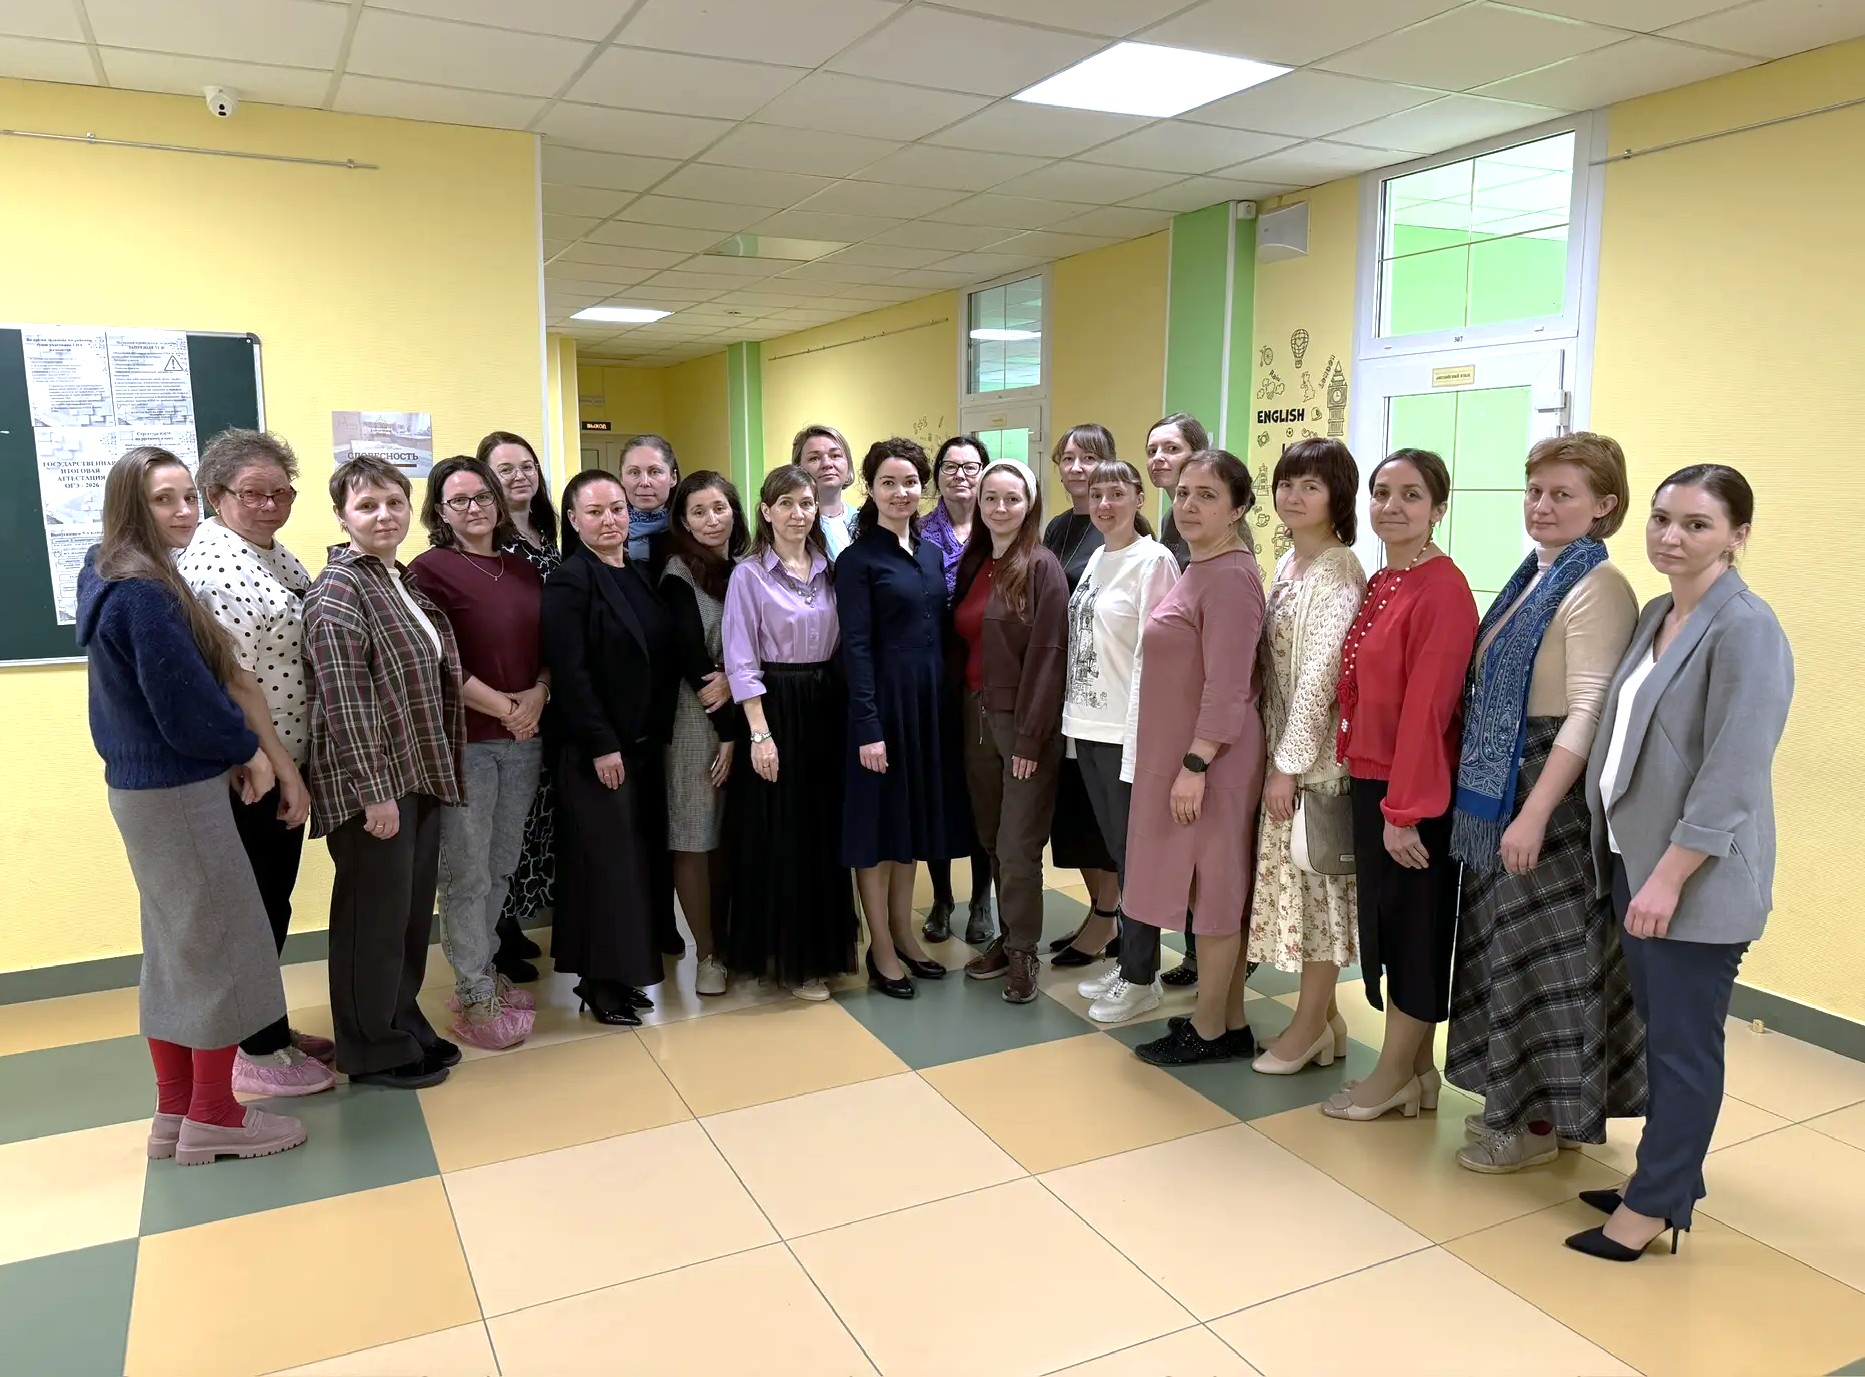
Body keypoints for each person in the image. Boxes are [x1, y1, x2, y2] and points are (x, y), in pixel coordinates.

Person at [1569, 464, 1793, 1262]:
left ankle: (1653, 1206)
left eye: (1696, 524)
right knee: (1664, 1034)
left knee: (1682, 1048)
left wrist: (1667, 877)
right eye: (1662, 518)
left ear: (1737, 535)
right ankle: (1664, 1178)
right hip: (1636, 864)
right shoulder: (1660, 611)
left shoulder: (1746, 628)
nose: (1670, 536)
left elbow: (1733, 770)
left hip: (1692, 880)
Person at [79, 447, 307, 1165]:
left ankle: (174, 1112)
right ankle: (214, 1116)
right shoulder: (146, 593)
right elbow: (186, 704)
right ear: (131, 506)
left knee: (176, 954)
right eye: (164, 499)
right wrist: (247, 750)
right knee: (221, 949)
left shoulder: (110, 572)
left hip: (142, 790)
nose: (184, 511)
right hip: (177, 791)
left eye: (188, 497)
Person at [1446, 434, 1644, 1170]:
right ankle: (1523, 1112)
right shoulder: (1536, 574)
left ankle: (1531, 1125)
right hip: (1507, 782)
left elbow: (1589, 711)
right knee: (1507, 955)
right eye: (1535, 491)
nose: (1542, 505)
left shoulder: (1597, 585)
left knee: (1541, 961)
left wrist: (1533, 814)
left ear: (1604, 505)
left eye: (1563, 494)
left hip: (1548, 795)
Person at [177, 428, 336, 1098]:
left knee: (271, 901)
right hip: (252, 770)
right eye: (253, 493)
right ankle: (255, 1050)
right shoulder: (216, 565)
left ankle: (266, 1026)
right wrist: (278, 766)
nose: (270, 505)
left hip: (282, 756)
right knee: (251, 911)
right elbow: (233, 682)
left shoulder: (264, 550)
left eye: (281, 492)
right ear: (217, 495)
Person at [1322, 449, 1478, 1120]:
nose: (1391, 506)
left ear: (1438, 508)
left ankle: (1391, 1074)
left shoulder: (1441, 588)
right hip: (1375, 781)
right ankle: (1416, 1074)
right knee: (1390, 925)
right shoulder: (1387, 577)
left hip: (1411, 793)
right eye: (1382, 492)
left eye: (1411, 495)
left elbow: (1428, 709)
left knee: (1415, 932)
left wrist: (1404, 810)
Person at [304, 456, 466, 1090]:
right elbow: (344, 702)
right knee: (370, 923)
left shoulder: (395, 578)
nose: (384, 515)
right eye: (366, 505)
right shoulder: (340, 590)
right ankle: (371, 1047)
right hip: (373, 788)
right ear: (341, 515)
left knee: (406, 917)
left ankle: (401, 1021)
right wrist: (375, 794)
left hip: (415, 774)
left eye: (394, 502)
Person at [1126, 451, 1268, 1065]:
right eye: (1183, 492)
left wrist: (1196, 764)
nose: (1188, 505)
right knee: (1210, 891)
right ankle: (1227, 1020)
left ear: (1238, 509)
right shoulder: (1200, 566)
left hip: (1214, 762)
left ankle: (1209, 1029)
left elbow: (1229, 684)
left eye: (1207, 495)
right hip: (1188, 756)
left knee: (1215, 892)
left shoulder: (1231, 577)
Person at [407, 456, 546, 1052]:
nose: (474, 508)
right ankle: (471, 987)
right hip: (468, 742)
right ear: (440, 511)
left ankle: (484, 966)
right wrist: (505, 707)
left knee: (502, 863)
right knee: (467, 872)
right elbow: (437, 659)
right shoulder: (428, 571)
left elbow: (547, 647)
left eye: (482, 496)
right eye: (458, 500)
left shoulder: (523, 568)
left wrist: (539, 694)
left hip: (524, 739)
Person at [1245, 440, 1366, 1074]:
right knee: (1300, 885)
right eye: (1286, 483)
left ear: (1336, 497)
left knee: (1317, 895)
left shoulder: (1339, 570)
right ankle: (1331, 1023)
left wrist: (1286, 766)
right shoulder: (1290, 560)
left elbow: (1321, 678)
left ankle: (1309, 1025)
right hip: (1281, 751)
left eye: (1310, 486)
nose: (1293, 496)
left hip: (1314, 765)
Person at [543, 470, 680, 1026]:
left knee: (634, 865)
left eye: (617, 509)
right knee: (604, 867)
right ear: (573, 520)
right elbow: (571, 672)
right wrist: (601, 744)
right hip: (597, 751)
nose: (609, 520)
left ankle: (623, 975)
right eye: (595, 512)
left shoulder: (638, 573)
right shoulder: (570, 581)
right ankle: (599, 983)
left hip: (642, 745)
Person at [839, 438, 969, 1000]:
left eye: (911, 482)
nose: (900, 492)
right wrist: (868, 728)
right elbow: (856, 649)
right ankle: (881, 948)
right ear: (869, 489)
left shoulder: (931, 553)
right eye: (888, 483)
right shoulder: (857, 560)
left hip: (927, 706)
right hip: (882, 707)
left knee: (909, 826)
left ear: (924, 487)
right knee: (878, 830)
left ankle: (904, 934)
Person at [722, 466, 859, 993]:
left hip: (825, 705)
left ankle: (821, 951)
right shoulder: (749, 575)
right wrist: (760, 734)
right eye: (785, 504)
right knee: (781, 832)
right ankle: (786, 956)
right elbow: (740, 660)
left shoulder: (831, 569)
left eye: (805, 503)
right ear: (766, 511)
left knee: (822, 830)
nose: (797, 514)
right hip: (775, 708)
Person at [1064, 459, 1181, 1023]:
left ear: (1139, 498)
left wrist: (1145, 737)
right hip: (1087, 726)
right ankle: (1136, 963)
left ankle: (1140, 977)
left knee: (1137, 857)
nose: (1105, 504)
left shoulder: (1153, 561)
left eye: (1117, 493)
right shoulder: (1097, 558)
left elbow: (1160, 657)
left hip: (1124, 733)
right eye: (1096, 494)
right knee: (1118, 852)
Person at [951, 458, 1069, 1004]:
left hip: (1023, 724)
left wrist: (1030, 736)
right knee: (992, 836)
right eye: (990, 498)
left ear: (1030, 504)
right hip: (974, 718)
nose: (1000, 508)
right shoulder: (976, 563)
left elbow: (1049, 655)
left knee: (1019, 844)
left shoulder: (1041, 566)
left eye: (1012, 498)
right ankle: (1008, 936)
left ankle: (1023, 951)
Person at [660, 471, 748, 998]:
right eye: (698, 511)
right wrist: (729, 733)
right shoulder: (678, 572)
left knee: (733, 839)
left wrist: (738, 685)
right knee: (695, 837)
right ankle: (707, 953)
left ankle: (737, 941)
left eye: (720, 508)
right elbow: (694, 662)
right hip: (697, 721)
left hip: (746, 713)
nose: (712, 520)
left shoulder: (746, 567)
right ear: (684, 521)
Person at [1042, 425, 1124, 968]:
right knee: (1072, 814)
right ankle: (1102, 911)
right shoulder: (1057, 526)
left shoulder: (1119, 529)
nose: (1076, 468)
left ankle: (1107, 915)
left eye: (1089, 458)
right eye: (1068, 458)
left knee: (1100, 816)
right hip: (1065, 693)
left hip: (1104, 696)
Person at [480, 430, 558, 982]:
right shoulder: (490, 542)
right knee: (502, 824)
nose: (518, 476)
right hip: (505, 698)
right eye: (504, 469)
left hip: (548, 690)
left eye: (526, 465)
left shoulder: (548, 534)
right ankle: (498, 933)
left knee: (532, 819)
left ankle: (513, 921)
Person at [1142, 411, 1211, 987]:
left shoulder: (1212, 535)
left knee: (1200, 840)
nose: (1160, 459)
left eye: (1172, 448)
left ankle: (1206, 953)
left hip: (1202, 711)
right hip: (1172, 703)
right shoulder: (1166, 524)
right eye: (1153, 450)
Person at [919, 435, 995, 946]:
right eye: (950, 466)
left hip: (984, 670)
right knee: (939, 784)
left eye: (971, 467)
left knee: (982, 786)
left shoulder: (998, 530)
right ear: (937, 475)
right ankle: (942, 897)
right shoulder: (919, 532)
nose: (960, 475)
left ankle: (981, 899)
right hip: (933, 670)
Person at [619, 433, 679, 583]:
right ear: (621, 478)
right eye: (634, 472)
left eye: (655, 472)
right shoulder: (607, 532)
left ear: (673, 478)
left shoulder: (689, 531)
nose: (644, 482)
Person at [794, 423, 860, 560]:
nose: (827, 464)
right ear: (798, 469)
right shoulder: (794, 524)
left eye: (835, 455)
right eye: (814, 458)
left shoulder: (866, 521)